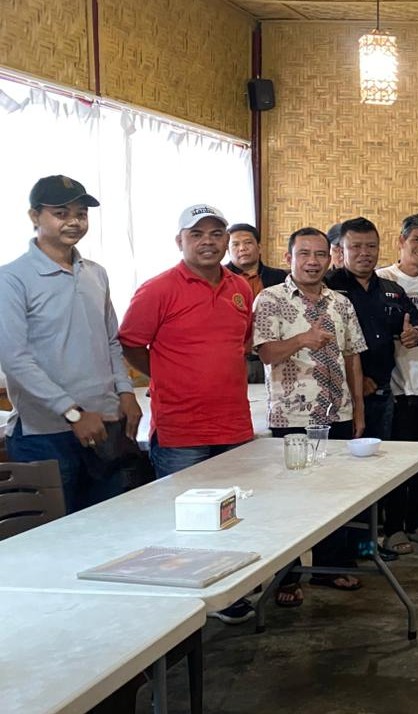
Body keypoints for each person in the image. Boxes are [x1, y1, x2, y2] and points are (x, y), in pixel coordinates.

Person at [118, 203, 258, 625]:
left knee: (234, 516)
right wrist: (166, 374)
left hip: (233, 424)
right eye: (196, 234)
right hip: (181, 428)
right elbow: (130, 344)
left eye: (216, 234)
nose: (207, 242)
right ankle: (187, 605)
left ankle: (228, 591)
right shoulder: (158, 289)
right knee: (185, 523)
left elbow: (242, 343)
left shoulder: (240, 287)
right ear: (179, 240)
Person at [0, 175, 141, 513]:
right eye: (61, 214)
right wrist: (73, 413)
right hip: (45, 436)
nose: (74, 222)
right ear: (35, 216)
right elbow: (15, 360)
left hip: (105, 427)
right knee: (50, 537)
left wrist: (126, 393)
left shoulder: (96, 273)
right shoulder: (12, 278)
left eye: (81, 213)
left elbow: (110, 340)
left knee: (109, 528)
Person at [253, 227, 368, 605]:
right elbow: (266, 353)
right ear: (289, 258)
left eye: (320, 254)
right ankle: (286, 577)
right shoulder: (270, 299)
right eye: (304, 254)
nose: (313, 262)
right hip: (291, 417)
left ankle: (330, 567)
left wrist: (358, 409)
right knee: (291, 499)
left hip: (337, 412)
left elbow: (352, 356)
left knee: (335, 495)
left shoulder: (341, 302)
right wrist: (302, 338)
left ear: (330, 258)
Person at [376, 213, 418, 554]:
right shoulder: (381, 280)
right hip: (394, 389)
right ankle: (392, 528)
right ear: (401, 241)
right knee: (394, 463)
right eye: (415, 239)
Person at [326, 217, 418, 442]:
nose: (364, 253)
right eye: (356, 246)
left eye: (371, 246)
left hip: (382, 393)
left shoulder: (392, 289)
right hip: (338, 394)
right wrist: (356, 380)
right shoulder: (327, 287)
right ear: (341, 250)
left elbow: (416, 323)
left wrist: (415, 334)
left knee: (379, 455)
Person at [225, 223, 287, 383]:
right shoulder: (219, 279)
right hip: (235, 358)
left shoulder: (280, 277)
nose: (242, 248)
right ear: (228, 250)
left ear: (259, 247)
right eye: (235, 244)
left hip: (275, 357)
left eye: (248, 243)